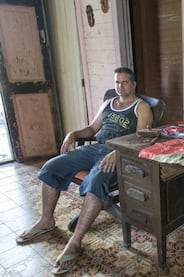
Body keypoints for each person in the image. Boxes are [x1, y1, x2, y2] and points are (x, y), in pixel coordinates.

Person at [15, 67, 153, 275]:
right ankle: (46, 220)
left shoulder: (141, 108)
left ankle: (75, 242)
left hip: (117, 155)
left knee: (95, 182)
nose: (120, 86)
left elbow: (142, 139)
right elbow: (91, 128)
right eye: (117, 82)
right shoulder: (108, 104)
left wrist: (118, 152)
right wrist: (73, 133)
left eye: (124, 82)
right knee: (51, 167)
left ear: (133, 84)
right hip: (93, 149)